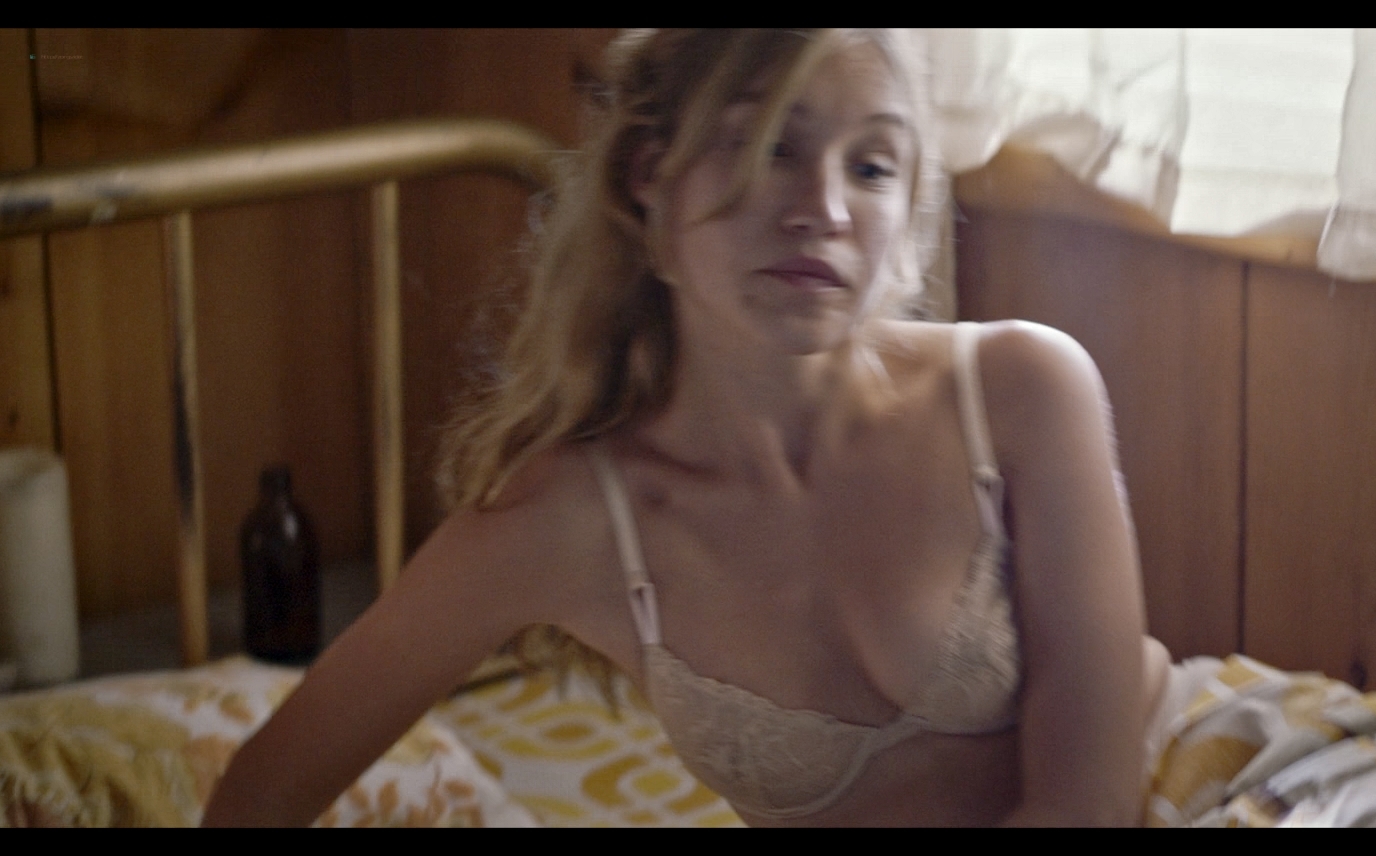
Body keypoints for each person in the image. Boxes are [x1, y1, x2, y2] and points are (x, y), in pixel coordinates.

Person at [203, 28, 1169, 827]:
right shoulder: (571, 519)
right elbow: (257, 796)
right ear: (649, 180)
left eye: (872, 165)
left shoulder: (1021, 392)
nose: (825, 209)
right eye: (769, 147)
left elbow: (1090, 806)